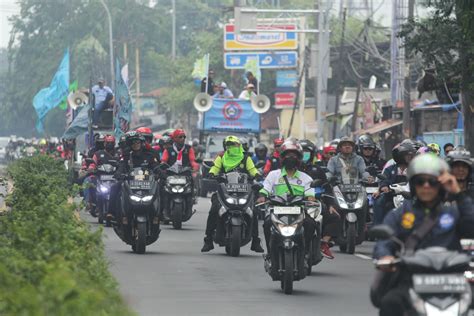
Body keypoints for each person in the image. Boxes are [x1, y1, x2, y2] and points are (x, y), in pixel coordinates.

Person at [372, 154, 474, 316]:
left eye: (432, 182)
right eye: (420, 182)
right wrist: (386, 257)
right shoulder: (400, 214)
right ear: (413, 185)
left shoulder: (454, 211)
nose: (426, 186)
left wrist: (458, 195)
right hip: (412, 278)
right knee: (390, 303)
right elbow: (385, 241)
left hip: (453, 279)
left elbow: (471, 227)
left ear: (439, 185)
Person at [201, 136, 264, 253]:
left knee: (253, 212)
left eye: (234, 144)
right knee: (214, 209)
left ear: (239, 145)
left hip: (244, 191)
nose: (231, 147)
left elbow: (252, 169)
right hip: (225, 190)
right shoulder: (221, 157)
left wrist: (256, 174)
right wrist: (212, 173)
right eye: (229, 145)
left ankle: (256, 241)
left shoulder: (246, 158)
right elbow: (215, 168)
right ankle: (208, 239)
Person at [257, 139, 316, 261]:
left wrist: (311, 199)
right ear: (282, 157)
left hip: (299, 212)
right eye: (288, 155)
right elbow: (265, 189)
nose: (291, 157)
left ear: (299, 158)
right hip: (278, 211)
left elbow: (310, 194)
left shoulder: (306, 178)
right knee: (267, 223)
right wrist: (262, 197)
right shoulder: (273, 175)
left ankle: (304, 252)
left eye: (294, 155)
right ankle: (270, 253)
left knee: (310, 224)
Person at [299, 139, 340, 259]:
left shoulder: (317, 170)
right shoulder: (292, 170)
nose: (304, 155)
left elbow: (327, 187)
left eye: (307, 152)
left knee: (335, 217)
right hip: (294, 203)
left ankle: (324, 243)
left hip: (315, 203)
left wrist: (331, 204)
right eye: (302, 152)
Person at [110, 131, 159, 219]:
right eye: (133, 143)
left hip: (146, 183)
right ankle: (113, 213)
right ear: (129, 144)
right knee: (114, 187)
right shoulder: (126, 155)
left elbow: (155, 167)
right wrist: (118, 174)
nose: (136, 144)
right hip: (130, 182)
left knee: (159, 188)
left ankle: (159, 214)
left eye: (138, 142)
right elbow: (121, 165)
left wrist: (162, 174)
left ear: (141, 143)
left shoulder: (149, 155)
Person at [372, 142, 416, 225]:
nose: (411, 158)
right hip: (391, 194)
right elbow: (384, 179)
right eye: (408, 155)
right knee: (378, 201)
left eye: (412, 155)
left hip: (409, 194)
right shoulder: (390, 169)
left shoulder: (414, 168)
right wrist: (384, 187)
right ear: (400, 156)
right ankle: (378, 227)